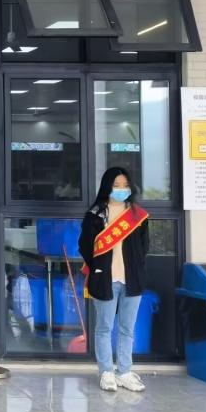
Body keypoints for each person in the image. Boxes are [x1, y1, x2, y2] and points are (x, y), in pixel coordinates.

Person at [78, 166, 150, 393]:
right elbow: (85, 246)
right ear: (107, 187)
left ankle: (124, 372)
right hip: (105, 278)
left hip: (132, 279)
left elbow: (144, 247)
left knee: (127, 329)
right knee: (104, 328)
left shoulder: (137, 215)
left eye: (125, 185)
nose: (121, 189)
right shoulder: (96, 214)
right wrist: (98, 268)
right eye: (116, 185)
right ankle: (106, 372)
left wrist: (135, 267)